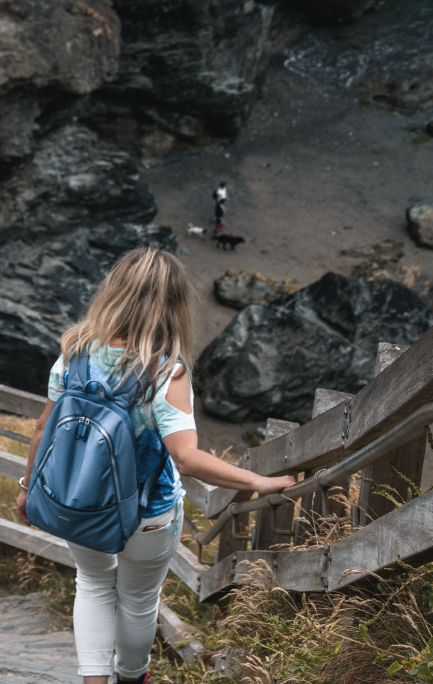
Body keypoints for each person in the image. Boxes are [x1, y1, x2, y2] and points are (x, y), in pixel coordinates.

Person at [15, 247, 294, 684]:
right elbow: (186, 458)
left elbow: (41, 429)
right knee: (138, 601)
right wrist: (258, 479)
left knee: (91, 584)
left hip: (79, 501)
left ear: (113, 293)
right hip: (149, 513)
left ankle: (92, 680)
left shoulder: (76, 353)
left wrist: (27, 487)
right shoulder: (166, 373)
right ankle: (131, 678)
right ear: (174, 305)